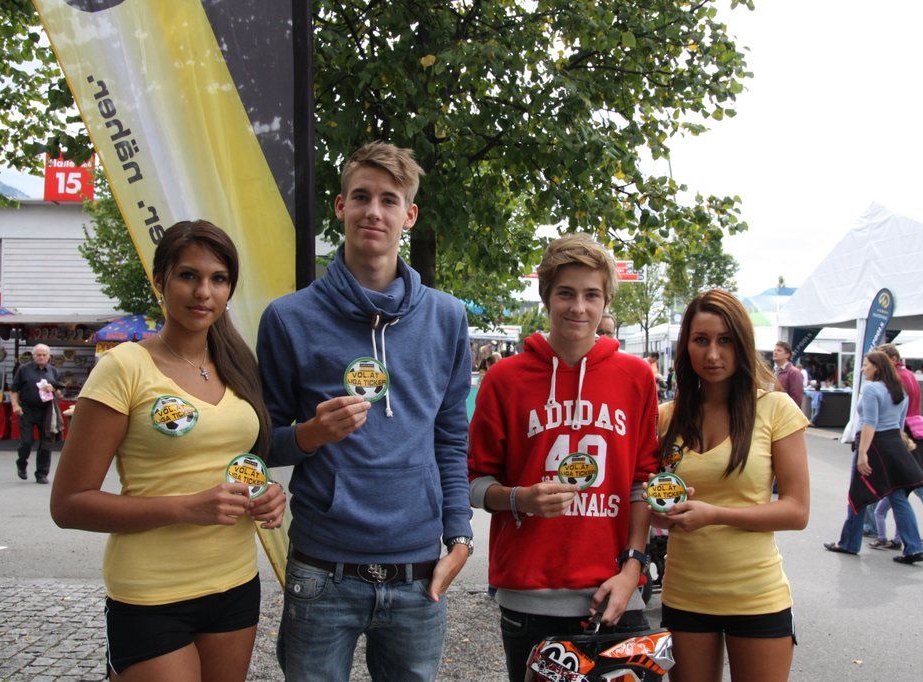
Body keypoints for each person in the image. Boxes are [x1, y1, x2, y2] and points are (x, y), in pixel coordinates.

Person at [257, 141, 473, 681]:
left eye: (389, 200)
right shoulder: (288, 318)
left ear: (409, 215)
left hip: (419, 570)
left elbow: (450, 438)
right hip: (321, 567)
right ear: (340, 207)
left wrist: (460, 536)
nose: (373, 211)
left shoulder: (447, 317)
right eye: (361, 197)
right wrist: (310, 434)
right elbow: (263, 441)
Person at [49, 220, 286, 680]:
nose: (204, 292)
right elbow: (69, 504)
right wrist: (187, 508)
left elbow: (238, 461)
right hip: (151, 594)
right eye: (188, 275)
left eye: (219, 278)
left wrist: (265, 493)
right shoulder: (124, 368)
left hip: (235, 583)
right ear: (160, 280)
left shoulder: (238, 365)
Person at [468, 234, 658, 681]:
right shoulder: (505, 378)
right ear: (546, 297)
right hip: (529, 597)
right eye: (566, 293)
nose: (578, 307)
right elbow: (474, 483)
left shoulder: (636, 377)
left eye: (591, 295)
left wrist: (633, 569)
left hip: (615, 593)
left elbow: (643, 482)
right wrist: (520, 499)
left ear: (606, 301)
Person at [654, 289, 810, 682]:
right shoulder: (664, 418)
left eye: (725, 340)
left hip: (757, 595)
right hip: (684, 594)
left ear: (743, 343)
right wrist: (663, 514)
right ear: (686, 346)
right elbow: (647, 502)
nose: (712, 354)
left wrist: (714, 514)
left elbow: (796, 511)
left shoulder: (775, 409)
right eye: (701, 340)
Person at [824, 351, 923, 564]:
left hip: (874, 445)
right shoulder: (899, 390)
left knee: (858, 494)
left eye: (865, 365)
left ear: (877, 367)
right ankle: (914, 547)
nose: (863, 369)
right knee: (898, 497)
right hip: (894, 445)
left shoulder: (871, 389)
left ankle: (849, 543)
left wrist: (862, 453)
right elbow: (899, 425)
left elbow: (870, 423)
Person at [876, 343, 923, 546]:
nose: (876, 363)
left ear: (892, 358)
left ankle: (881, 529)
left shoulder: (895, 378)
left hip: (903, 434)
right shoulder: (909, 374)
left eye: (881, 358)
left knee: (902, 487)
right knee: (913, 486)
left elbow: (893, 410)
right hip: (914, 432)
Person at [10, 343, 62, 483]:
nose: (41, 357)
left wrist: (53, 389)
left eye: (44, 355)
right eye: (38, 355)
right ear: (33, 356)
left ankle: (42, 473)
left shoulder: (53, 371)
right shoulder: (24, 369)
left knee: (46, 443)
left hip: (46, 411)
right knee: (26, 442)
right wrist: (15, 405)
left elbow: (60, 393)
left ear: (49, 356)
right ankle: (22, 462)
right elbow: (14, 389)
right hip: (27, 410)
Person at [773, 341, 804, 409]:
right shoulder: (775, 371)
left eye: (779, 350)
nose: (775, 352)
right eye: (774, 350)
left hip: (785, 412)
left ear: (787, 355)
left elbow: (797, 397)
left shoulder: (794, 372)